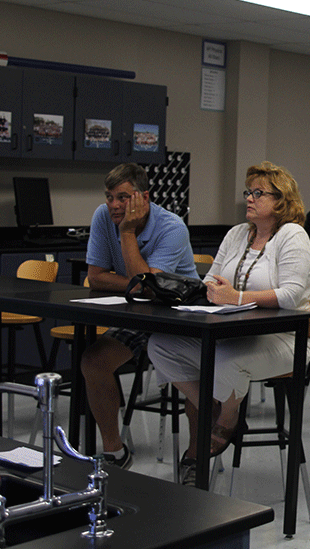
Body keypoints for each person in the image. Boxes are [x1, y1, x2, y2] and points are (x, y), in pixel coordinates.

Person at [147, 162, 310, 485]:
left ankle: (228, 416)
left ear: (281, 200)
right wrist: (215, 292)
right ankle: (215, 408)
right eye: (248, 192)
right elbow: (210, 279)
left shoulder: (293, 235)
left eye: (258, 193)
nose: (249, 198)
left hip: (282, 340)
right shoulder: (237, 233)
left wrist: (235, 297)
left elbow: (293, 295)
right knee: (161, 345)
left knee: (223, 361)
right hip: (231, 332)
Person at [81, 163, 198, 470]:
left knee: (200, 377)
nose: (115, 205)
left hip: (181, 318)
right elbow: (97, 277)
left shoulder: (172, 227)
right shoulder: (102, 217)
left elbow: (149, 287)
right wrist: (139, 285)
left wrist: (128, 232)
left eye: (123, 197)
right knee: (93, 361)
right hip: (139, 314)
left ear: (144, 197)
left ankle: (195, 460)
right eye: (109, 197)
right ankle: (114, 453)